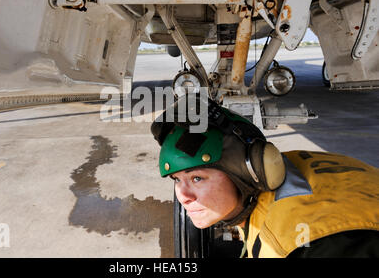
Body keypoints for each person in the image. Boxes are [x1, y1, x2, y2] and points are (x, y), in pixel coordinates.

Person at [151, 95, 379, 258]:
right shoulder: (290, 166)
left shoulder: (296, 243)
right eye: (176, 180)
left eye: (197, 178)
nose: (183, 196)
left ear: (248, 170)